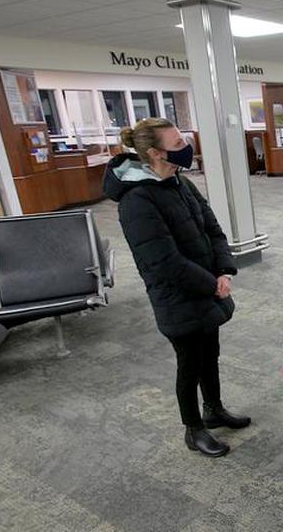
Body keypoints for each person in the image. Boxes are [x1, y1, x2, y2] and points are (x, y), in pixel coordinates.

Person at [103, 118, 250, 458]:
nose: (187, 147)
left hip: (207, 287)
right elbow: (163, 261)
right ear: (154, 153)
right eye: (177, 143)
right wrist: (211, 283)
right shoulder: (137, 200)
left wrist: (224, 270)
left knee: (209, 353)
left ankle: (213, 409)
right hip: (177, 296)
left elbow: (211, 227)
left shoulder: (179, 182)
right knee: (190, 363)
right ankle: (193, 428)